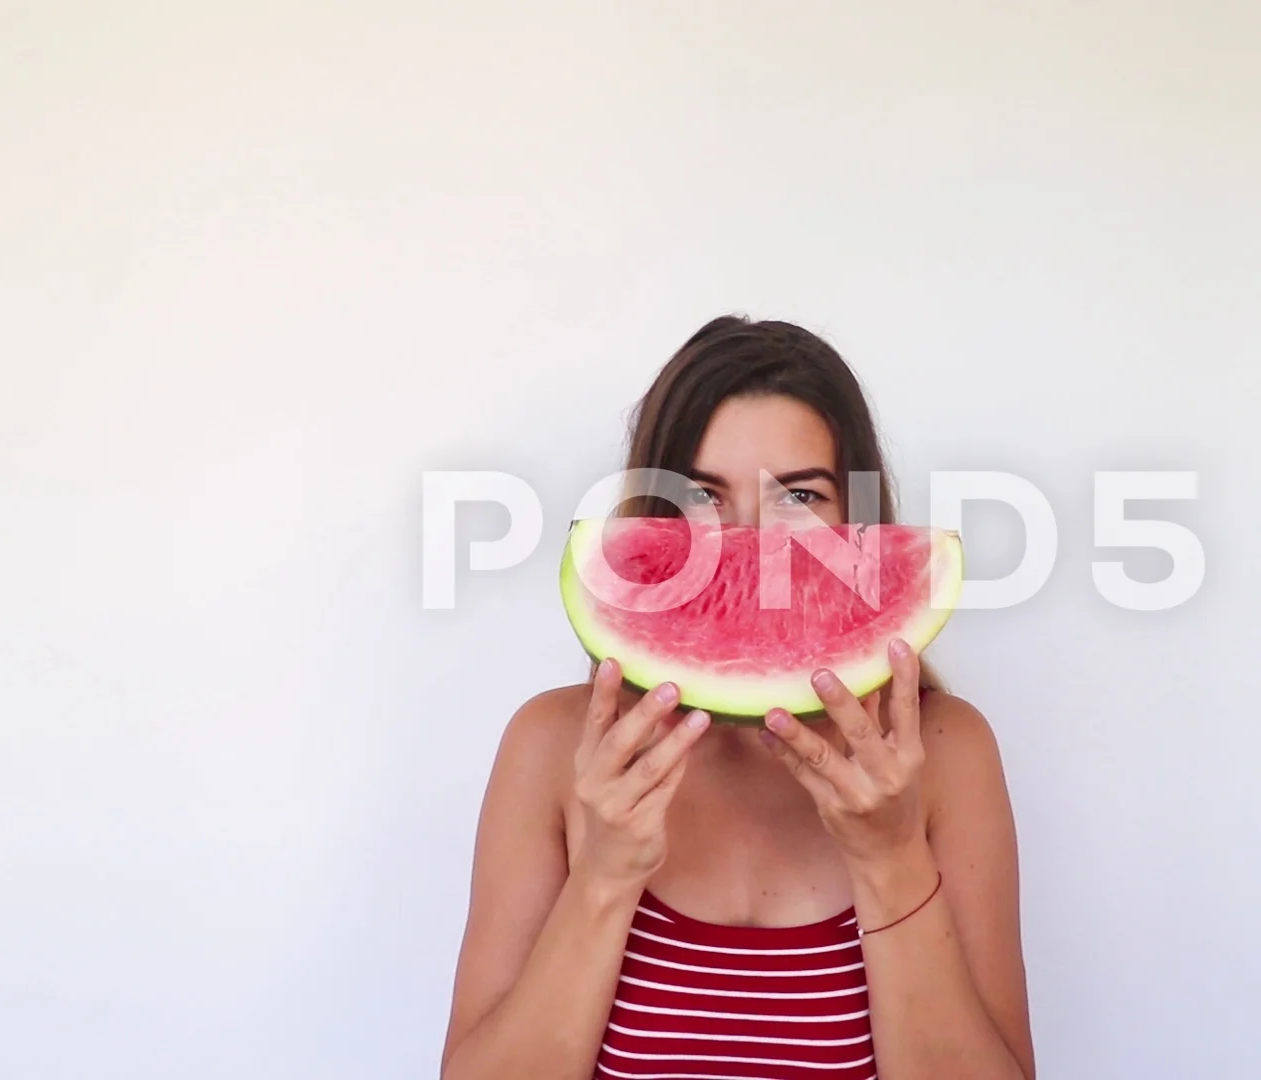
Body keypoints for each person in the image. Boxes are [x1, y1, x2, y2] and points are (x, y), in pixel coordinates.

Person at [438, 316, 1035, 1080]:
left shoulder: (946, 756)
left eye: (798, 495)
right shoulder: (554, 749)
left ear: (855, 521)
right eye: (701, 495)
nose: (748, 540)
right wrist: (605, 874)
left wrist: (889, 859)